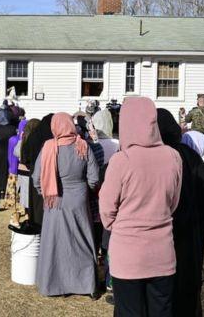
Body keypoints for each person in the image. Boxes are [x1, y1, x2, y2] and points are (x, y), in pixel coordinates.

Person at [99, 97, 182, 317]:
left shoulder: (121, 160)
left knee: (128, 311)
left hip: (128, 253)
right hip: (163, 252)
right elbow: (173, 203)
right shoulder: (173, 157)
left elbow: (106, 210)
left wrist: (123, 225)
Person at [157, 109, 204, 317]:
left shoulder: (160, 159)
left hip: (169, 234)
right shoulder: (191, 156)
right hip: (192, 233)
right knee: (188, 285)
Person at [32, 112, 99, 297]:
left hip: (55, 201)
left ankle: (55, 285)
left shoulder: (47, 147)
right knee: (81, 240)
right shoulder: (82, 145)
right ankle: (85, 284)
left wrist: (47, 192)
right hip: (78, 198)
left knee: (55, 243)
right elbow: (94, 178)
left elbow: (37, 179)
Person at [91, 109, 120, 294]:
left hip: (97, 193)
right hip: (115, 193)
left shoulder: (93, 145)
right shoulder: (117, 143)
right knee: (110, 240)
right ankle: (110, 278)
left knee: (96, 236)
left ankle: (96, 274)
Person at [21, 113, 53, 227]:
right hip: (49, 175)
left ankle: (35, 224)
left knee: (35, 204)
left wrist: (32, 167)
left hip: (34, 172)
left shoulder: (33, 137)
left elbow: (25, 156)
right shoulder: (51, 138)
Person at [6, 119, 28, 228]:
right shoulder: (22, 142)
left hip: (11, 171)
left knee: (13, 196)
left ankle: (14, 216)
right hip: (19, 173)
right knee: (19, 196)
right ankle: (16, 218)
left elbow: (9, 155)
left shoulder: (12, 139)